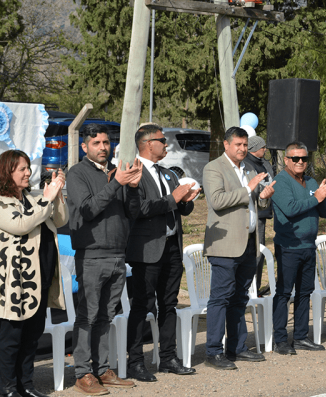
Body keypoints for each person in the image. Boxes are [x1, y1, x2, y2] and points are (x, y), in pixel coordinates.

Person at [67, 123, 142, 394]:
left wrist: (132, 187)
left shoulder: (116, 172)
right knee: (87, 316)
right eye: (96, 143)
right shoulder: (76, 173)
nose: (103, 147)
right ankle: (82, 373)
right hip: (91, 254)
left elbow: (132, 212)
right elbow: (88, 209)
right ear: (85, 146)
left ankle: (102, 369)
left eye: (106, 142)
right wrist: (116, 184)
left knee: (106, 315)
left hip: (117, 254)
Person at [125, 124, 199, 382]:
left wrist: (187, 200)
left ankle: (168, 357)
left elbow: (179, 209)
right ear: (147, 144)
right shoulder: (133, 173)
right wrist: (173, 199)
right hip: (146, 250)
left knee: (169, 305)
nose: (166, 145)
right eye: (162, 141)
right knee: (142, 307)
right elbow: (139, 209)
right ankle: (135, 361)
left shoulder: (168, 174)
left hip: (171, 247)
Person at [202, 127, 275, 370]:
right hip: (225, 244)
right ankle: (213, 351)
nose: (243, 149)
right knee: (220, 298)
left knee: (239, 298)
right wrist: (249, 188)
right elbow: (217, 200)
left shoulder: (250, 169)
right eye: (238, 145)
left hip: (248, 243)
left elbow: (254, 202)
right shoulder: (214, 168)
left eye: (245, 145)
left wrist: (263, 195)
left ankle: (237, 347)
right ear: (226, 145)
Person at [0, 151, 67, 397]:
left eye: (28, 168)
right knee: (10, 340)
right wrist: (46, 200)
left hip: (40, 280)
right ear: (7, 172)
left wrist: (56, 194)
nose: (28, 172)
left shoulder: (35, 197)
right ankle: (7, 388)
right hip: (15, 284)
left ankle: (26, 385)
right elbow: (21, 224)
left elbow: (61, 220)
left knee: (31, 337)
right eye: (21, 169)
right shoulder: (2, 202)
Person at [271, 141, 326, 355]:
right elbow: (290, 209)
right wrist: (316, 197)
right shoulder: (280, 181)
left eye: (303, 158)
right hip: (289, 245)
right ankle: (280, 339)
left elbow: (324, 212)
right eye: (295, 158)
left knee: (305, 292)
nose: (299, 162)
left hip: (308, 245)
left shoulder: (311, 181)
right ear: (286, 160)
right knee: (284, 292)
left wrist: (323, 195)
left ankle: (300, 337)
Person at [242, 135, 275, 293]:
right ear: (254, 148)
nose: (265, 150)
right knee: (256, 252)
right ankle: (250, 288)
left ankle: (256, 286)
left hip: (264, 211)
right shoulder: (246, 165)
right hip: (253, 214)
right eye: (262, 147)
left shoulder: (265, 163)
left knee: (260, 252)